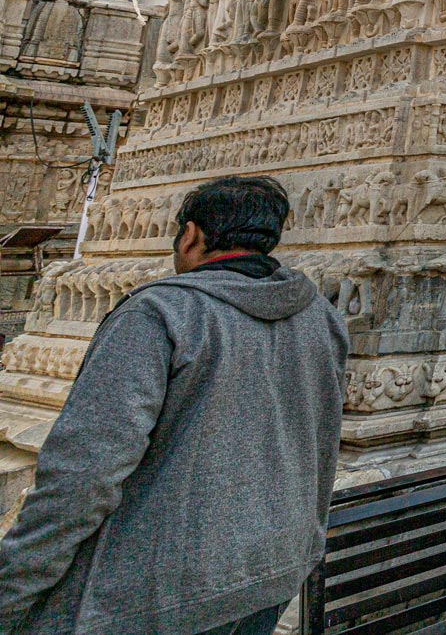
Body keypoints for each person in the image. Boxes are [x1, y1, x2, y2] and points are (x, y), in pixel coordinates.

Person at [0, 176, 349, 635]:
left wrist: (12, 591)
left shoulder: (158, 315)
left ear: (190, 235)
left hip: (155, 595)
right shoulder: (320, 316)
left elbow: (84, 473)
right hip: (269, 571)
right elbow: (324, 446)